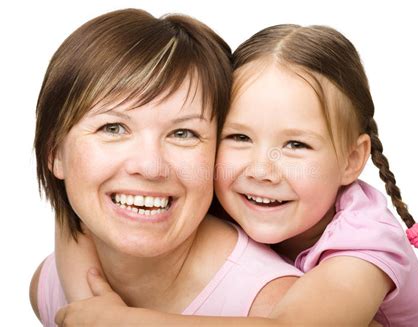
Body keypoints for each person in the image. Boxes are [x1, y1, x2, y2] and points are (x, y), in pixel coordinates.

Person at [48, 23, 418, 326]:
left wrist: (118, 321)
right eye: (239, 137)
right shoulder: (229, 201)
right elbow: (78, 222)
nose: (261, 170)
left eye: (296, 145)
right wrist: (85, 297)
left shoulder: (366, 244)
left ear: (352, 160)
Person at [28, 9, 303, 327]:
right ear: (54, 154)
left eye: (183, 133)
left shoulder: (274, 304)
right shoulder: (48, 286)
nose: (150, 166)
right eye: (114, 128)